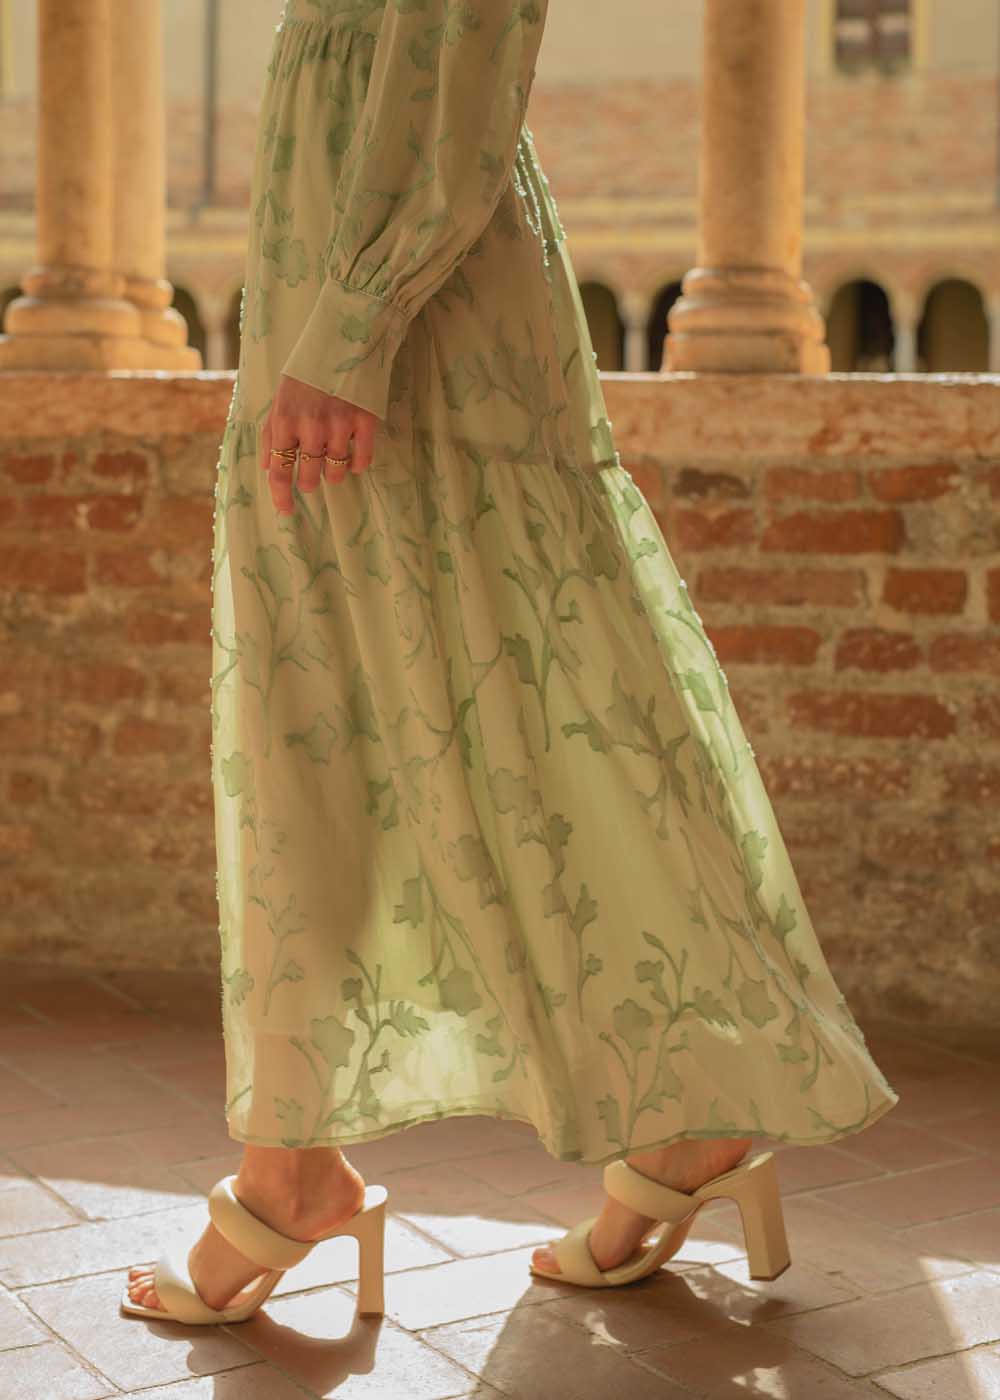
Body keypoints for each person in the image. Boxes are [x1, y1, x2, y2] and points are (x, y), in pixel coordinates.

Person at [124, 0, 899, 1320]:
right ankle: (298, 1154)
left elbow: (468, 35)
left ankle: (672, 1105)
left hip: (403, 295)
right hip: (334, 260)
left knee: (535, 705)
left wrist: (355, 319)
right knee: (327, 706)